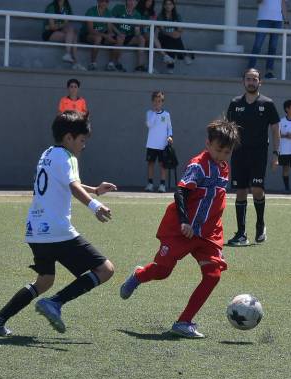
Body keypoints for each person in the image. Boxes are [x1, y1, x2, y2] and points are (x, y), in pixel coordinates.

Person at [0, 111, 117, 336]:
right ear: (69, 137)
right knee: (105, 269)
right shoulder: (68, 157)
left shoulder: (48, 154)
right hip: (57, 231)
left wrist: (95, 190)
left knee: (44, 281)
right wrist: (95, 206)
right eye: (82, 140)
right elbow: (73, 186)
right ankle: (55, 303)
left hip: (35, 231)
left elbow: (66, 183)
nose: (83, 146)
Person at [118, 119, 238, 338]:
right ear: (208, 144)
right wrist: (185, 222)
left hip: (208, 234)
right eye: (218, 150)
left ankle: (184, 322)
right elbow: (181, 193)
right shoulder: (198, 165)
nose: (221, 155)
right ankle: (139, 275)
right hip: (181, 229)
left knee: (213, 275)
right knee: (163, 272)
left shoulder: (224, 168)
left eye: (227, 152)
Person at [226, 68, 280, 246]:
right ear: (243, 81)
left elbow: (275, 129)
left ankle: (260, 224)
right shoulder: (235, 103)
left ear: (260, 82)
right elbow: (228, 129)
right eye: (248, 79)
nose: (251, 82)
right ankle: (241, 233)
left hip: (259, 154)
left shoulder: (268, 103)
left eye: (254, 79)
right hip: (239, 153)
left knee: (257, 188)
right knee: (240, 191)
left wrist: (276, 154)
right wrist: (225, 151)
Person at [247, 0, 288, 80]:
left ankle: (269, 72)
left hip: (277, 20)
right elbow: (258, 1)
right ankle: (250, 70)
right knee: (257, 45)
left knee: (273, 46)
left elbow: (283, 3)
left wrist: (286, 20)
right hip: (263, 18)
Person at [42, 0, 86, 71]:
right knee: (71, 34)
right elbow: (52, 27)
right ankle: (73, 59)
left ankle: (73, 60)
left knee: (73, 33)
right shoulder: (51, 7)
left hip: (60, 30)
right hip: (49, 33)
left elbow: (68, 22)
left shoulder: (67, 6)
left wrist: (63, 25)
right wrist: (63, 24)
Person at [144, 91, 173, 193]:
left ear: (162, 102)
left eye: (159, 101)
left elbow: (169, 128)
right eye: (156, 101)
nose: (157, 103)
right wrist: (155, 113)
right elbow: (149, 125)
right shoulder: (149, 113)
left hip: (163, 145)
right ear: (153, 102)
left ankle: (162, 185)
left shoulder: (166, 114)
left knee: (162, 165)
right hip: (151, 144)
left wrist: (169, 136)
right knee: (150, 164)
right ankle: (150, 184)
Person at [157, 0, 193, 74]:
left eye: (170, 4)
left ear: (173, 6)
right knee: (172, 39)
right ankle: (183, 55)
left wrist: (177, 34)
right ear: (164, 6)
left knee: (175, 39)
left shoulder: (177, 16)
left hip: (174, 38)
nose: (168, 6)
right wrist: (173, 34)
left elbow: (180, 29)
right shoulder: (160, 16)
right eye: (166, 4)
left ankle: (170, 67)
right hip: (163, 38)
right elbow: (162, 30)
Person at [81, 0, 118, 72]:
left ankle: (111, 64)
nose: (104, 3)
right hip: (87, 35)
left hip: (102, 36)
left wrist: (111, 35)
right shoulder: (91, 11)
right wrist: (105, 36)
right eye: (102, 1)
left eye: (106, 1)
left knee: (117, 39)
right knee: (98, 38)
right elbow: (90, 30)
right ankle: (93, 64)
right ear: (98, 2)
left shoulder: (108, 12)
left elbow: (109, 29)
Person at [111, 0, 147, 72]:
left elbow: (137, 31)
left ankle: (139, 66)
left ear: (137, 3)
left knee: (141, 39)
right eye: (130, 0)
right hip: (115, 34)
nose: (132, 3)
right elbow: (110, 23)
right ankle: (116, 63)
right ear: (127, 1)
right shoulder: (118, 8)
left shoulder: (137, 14)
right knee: (121, 37)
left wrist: (139, 35)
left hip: (127, 36)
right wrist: (118, 33)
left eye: (134, 1)